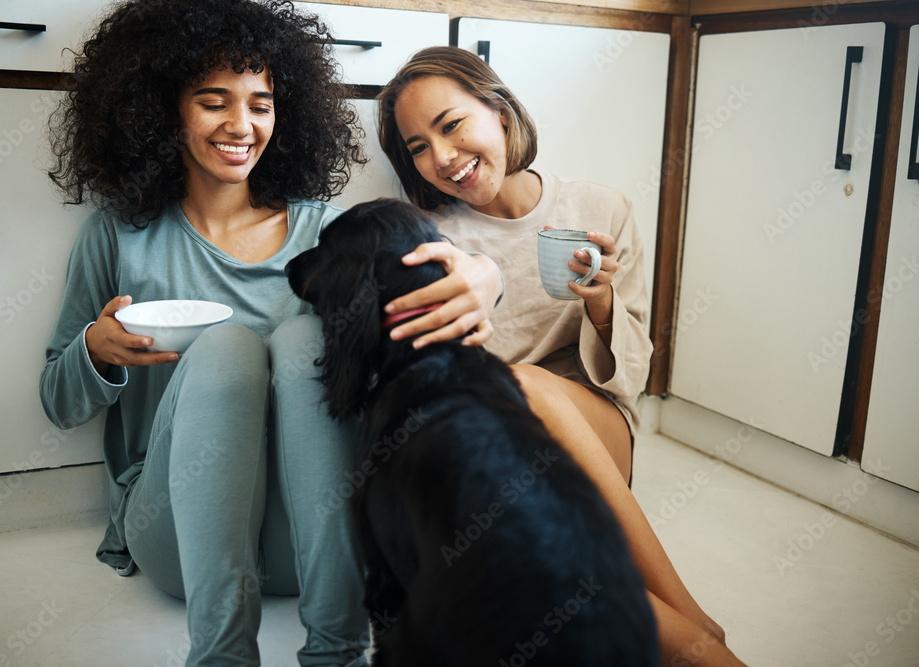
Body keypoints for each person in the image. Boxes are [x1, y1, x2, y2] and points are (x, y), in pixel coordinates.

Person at [39, 5, 501, 666]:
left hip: (308, 540)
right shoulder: (119, 233)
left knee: (304, 336)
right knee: (228, 348)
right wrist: (94, 350)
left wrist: (486, 275)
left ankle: (338, 649)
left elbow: (434, 276)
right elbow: (57, 401)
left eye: (261, 103)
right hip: (176, 535)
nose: (241, 125)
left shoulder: (327, 233)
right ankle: (222, 654)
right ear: (162, 110)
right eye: (212, 102)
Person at [377, 46, 746, 667]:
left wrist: (602, 305)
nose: (442, 158)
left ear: (498, 110)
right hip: (497, 452)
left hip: (594, 434)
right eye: (417, 147)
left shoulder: (601, 210)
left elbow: (630, 374)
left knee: (521, 385)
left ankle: (684, 612)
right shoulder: (423, 236)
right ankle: (699, 642)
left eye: (452, 125)